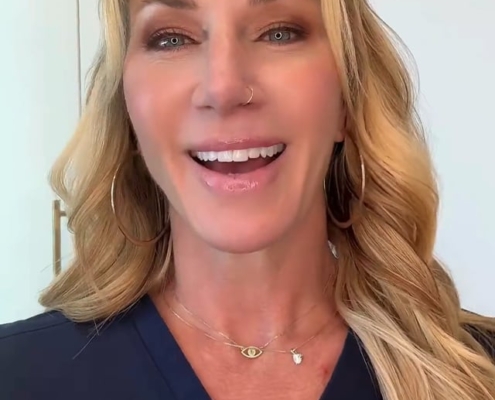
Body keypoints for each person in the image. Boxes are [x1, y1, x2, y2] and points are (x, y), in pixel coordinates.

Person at [1, 0, 494, 398]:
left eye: (279, 32)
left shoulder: (478, 374)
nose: (224, 88)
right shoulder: (16, 375)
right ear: (128, 112)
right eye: (171, 38)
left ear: (346, 99)